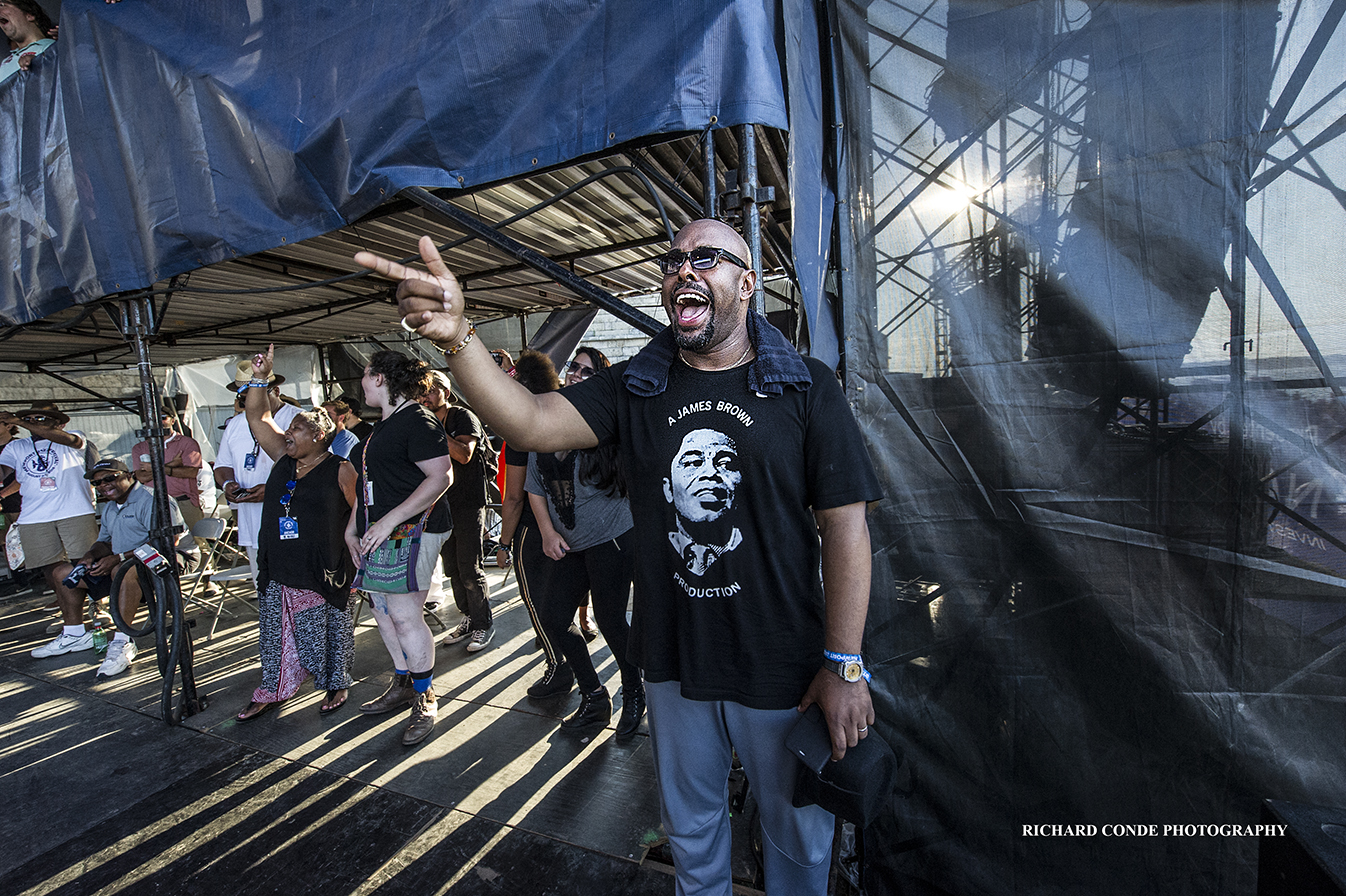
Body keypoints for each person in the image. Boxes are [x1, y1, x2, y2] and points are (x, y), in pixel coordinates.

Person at [357, 218, 881, 896]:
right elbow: (530, 421)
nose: (683, 269)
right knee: (694, 842)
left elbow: (846, 529)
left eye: (708, 258)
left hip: (783, 667)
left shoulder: (803, 386)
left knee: (798, 847)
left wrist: (844, 663)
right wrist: (459, 338)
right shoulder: (640, 385)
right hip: (672, 659)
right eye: (674, 260)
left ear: (747, 285)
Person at [234, 346, 360, 722]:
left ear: (320, 435)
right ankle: (273, 688)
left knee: (328, 631)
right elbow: (258, 415)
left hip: (325, 567)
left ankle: (336, 682)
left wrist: (359, 560)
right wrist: (260, 378)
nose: (287, 434)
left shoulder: (341, 469)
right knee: (274, 633)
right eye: (288, 429)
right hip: (281, 563)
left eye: (297, 429)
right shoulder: (283, 458)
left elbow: (361, 515)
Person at [345, 350, 453, 747]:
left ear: (380, 378)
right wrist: (351, 531)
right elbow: (367, 487)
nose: (360, 382)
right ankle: (405, 681)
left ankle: (425, 696)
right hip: (380, 537)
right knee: (385, 615)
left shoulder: (418, 420)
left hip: (414, 533)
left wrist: (390, 520)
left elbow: (441, 477)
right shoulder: (383, 426)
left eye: (364, 374)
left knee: (405, 616)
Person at [526, 426, 643, 738]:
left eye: (586, 371)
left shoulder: (603, 432)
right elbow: (535, 488)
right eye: (573, 370)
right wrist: (548, 533)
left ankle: (634, 693)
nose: (576, 373)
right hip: (569, 542)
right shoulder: (543, 429)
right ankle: (594, 697)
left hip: (612, 538)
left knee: (610, 620)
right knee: (551, 615)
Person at [52, 459, 192, 678]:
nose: (104, 485)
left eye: (110, 478)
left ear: (129, 476)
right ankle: (74, 634)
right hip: (125, 561)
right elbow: (105, 542)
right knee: (62, 572)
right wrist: (90, 556)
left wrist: (117, 558)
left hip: (165, 560)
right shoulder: (110, 506)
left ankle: (122, 641)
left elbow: (166, 543)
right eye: (97, 483)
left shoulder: (153, 499)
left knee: (122, 570)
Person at [494, 351, 574, 699]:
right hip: (572, 525)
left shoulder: (521, 428)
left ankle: (558, 666)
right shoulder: (563, 414)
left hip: (533, 530)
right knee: (563, 603)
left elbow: (513, 497)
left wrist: (503, 542)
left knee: (540, 604)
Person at [0, 405, 101, 656]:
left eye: (40, 419)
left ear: (59, 423)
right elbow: (4, 473)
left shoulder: (73, 438)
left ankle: (100, 611)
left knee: (88, 566)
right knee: (53, 571)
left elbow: (66, 439)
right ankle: (73, 629)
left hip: (74, 511)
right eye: (29, 418)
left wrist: (21, 422)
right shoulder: (16, 447)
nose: (34, 422)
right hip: (35, 517)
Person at [419, 370, 494, 652]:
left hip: (468, 502)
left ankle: (483, 624)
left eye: (429, 390)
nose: (424, 396)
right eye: (421, 391)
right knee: (452, 567)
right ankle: (469, 618)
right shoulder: (422, 421)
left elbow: (464, 453)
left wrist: (433, 430)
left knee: (469, 567)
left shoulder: (461, 416)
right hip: (440, 504)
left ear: (445, 393)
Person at [215, 359, 301, 586]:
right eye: (245, 396)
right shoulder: (234, 424)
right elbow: (222, 466)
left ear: (276, 390)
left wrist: (274, 490)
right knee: (263, 589)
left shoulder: (299, 420)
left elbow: (319, 468)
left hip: (293, 524)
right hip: (252, 525)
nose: (253, 400)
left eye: (260, 391)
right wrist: (228, 485)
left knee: (296, 589)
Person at [132, 403, 206, 532]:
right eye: (153, 419)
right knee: (157, 542)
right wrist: (171, 466)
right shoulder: (140, 447)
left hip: (183, 501)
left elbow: (191, 472)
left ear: (173, 420)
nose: (158, 422)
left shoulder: (187, 443)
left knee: (198, 541)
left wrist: (153, 468)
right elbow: (142, 477)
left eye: (162, 417)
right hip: (153, 503)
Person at [0, 1, 54, 83]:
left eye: (1, 5)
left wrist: (40, 62)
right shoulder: (4, 62)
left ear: (29, 15)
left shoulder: (52, 47)